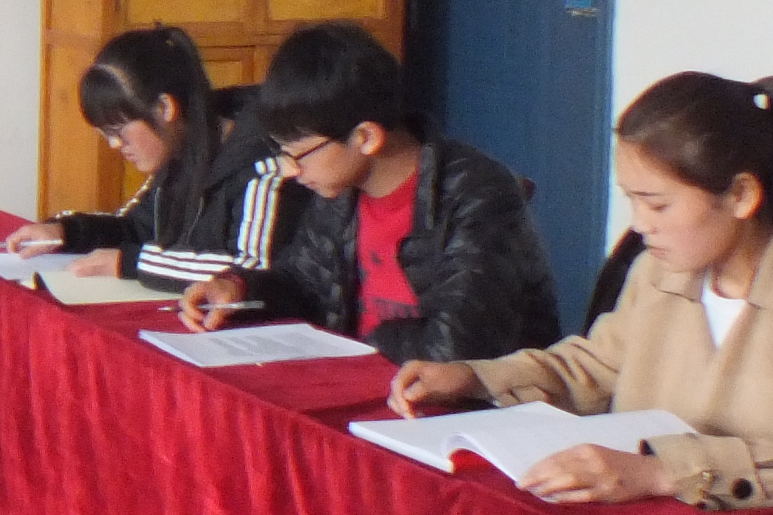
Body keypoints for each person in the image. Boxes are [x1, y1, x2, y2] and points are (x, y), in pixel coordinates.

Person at [388, 74, 773, 515]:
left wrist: (661, 473)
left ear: (741, 196)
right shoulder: (662, 271)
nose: (640, 225)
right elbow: (595, 366)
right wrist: (475, 378)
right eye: (632, 200)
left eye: (657, 204)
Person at [176, 21, 560, 360]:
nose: (291, 171)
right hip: (368, 377)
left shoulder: (477, 194)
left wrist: (358, 344)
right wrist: (238, 289)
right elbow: (304, 284)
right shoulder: (341, 191)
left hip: (467, 404)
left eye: (300, 155)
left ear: (366, 137)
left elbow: (458, 347)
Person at [3, 26, 302, 289]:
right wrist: (65, 233)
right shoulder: (178, 154)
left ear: (164, 108)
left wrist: (130, 263)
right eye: (106, 134)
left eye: (119, 131)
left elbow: (249, 270)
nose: (115, 145)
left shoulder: (263, 165)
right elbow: (135, 228)